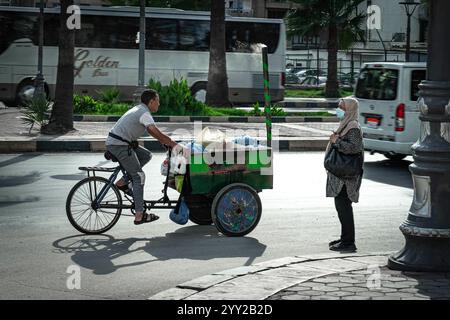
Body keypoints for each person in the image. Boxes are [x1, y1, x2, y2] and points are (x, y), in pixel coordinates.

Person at [105, 89, 184, 225]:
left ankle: (123, 182)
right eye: (158, 101)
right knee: (139, 176)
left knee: (146, 155)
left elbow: (154, 133)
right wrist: (172, 144)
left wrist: (165, 142)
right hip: (120, 145)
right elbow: (153, 130)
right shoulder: (144, 113)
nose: (159, 104)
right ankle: (139, 215)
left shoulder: (139, 109)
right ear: (151, 101)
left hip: (121, 142)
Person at [325, 97, 364, 252]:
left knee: (344, 206)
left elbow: (354, 147)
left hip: (346, 177)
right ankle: (345, 238)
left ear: (349, 110)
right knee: (341, 206)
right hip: (342, 175)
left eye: (341, 107)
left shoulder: (353, 126)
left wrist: (336, 141)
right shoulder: (347, 124)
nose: (338, 109)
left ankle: (349, 242)